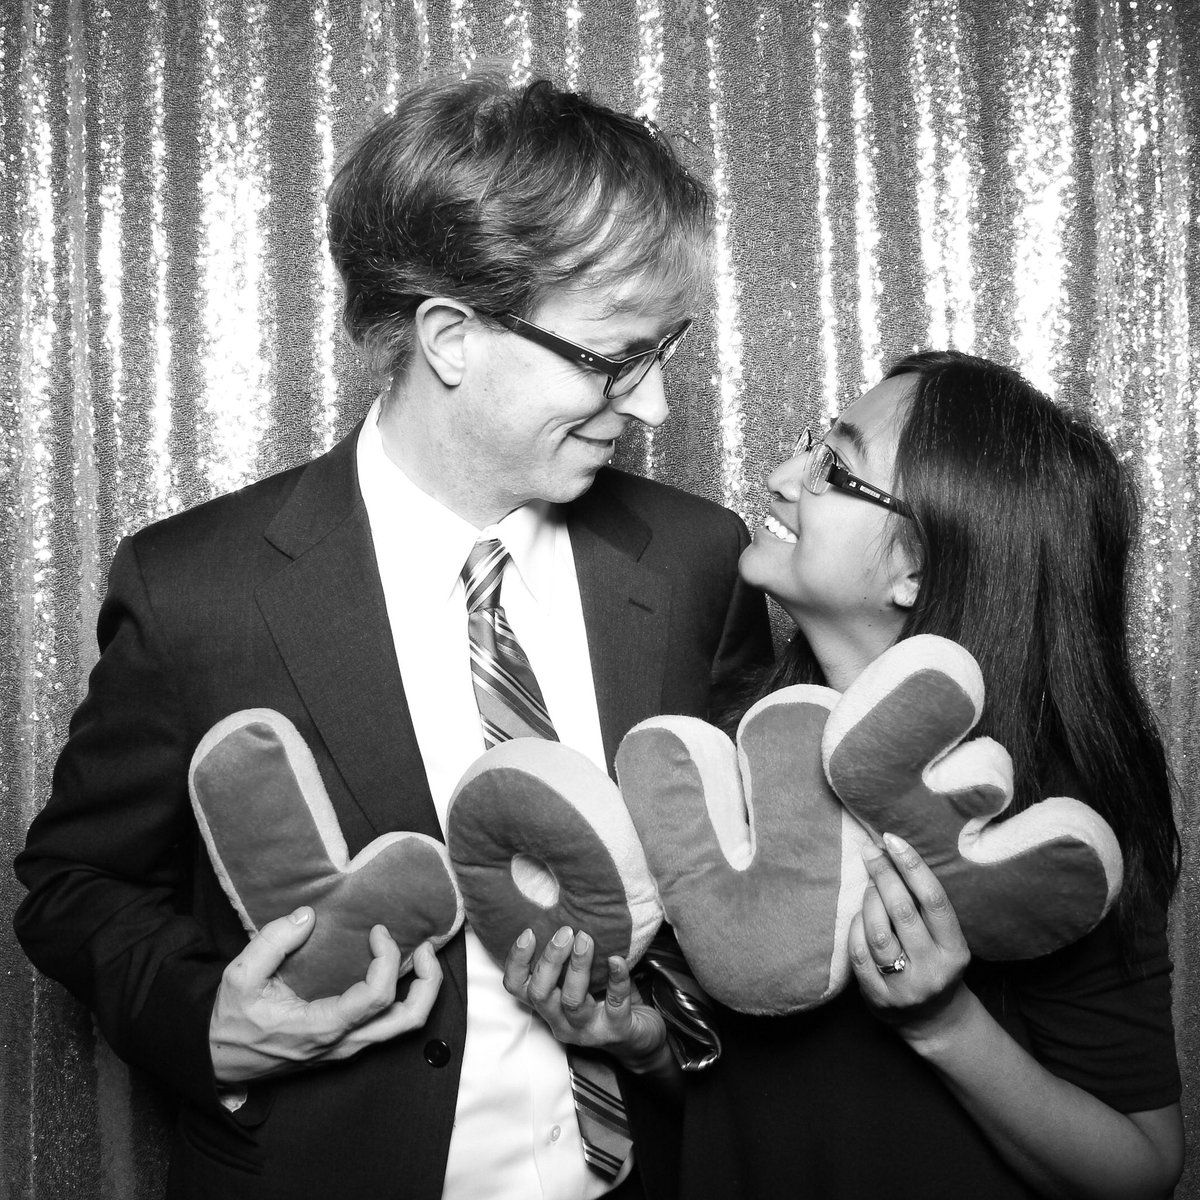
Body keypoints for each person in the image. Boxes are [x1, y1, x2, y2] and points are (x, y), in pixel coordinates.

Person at [13, 70, 772, 1200]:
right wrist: (208, 1019)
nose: (653, 405)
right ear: (451, 337)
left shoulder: (699, 559)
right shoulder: (198, 589)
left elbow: (743, 890)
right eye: (615, 357)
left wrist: (658, 1032)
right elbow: (74, 881)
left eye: (666, 351)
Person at [677, 351, 1184, 1200]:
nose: (780, 478)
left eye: (834, 467)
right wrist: (641, 1042)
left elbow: (1142, 1169)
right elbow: (743, 1086)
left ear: (915, 570)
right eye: (811, 444)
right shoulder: (733, 743)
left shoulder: (1043, 819)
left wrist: (946, 1024)